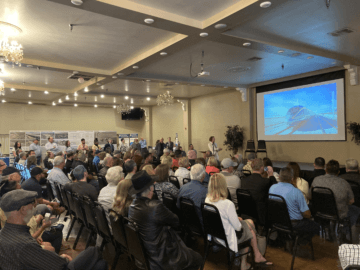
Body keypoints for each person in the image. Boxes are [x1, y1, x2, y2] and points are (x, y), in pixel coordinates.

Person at [0, 189, 108, 269]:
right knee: (94, 251)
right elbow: (61, 266)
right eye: (32, 203)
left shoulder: (4, 233)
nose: (34, 206)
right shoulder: (24, 244)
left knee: (100, 264)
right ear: (23, 209)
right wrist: (65, 258)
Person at [128, 171, 203, 270]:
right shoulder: (155, 207)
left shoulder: (132, 206)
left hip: (143, 255)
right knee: (198, 258)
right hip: (161, 257)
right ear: (151, 188)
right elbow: (176, 221)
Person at [205, 173, 273, 269]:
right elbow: (238, 227)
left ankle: (249, 257)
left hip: (216, 235)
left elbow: (220, 217)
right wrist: (237, 220)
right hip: (227, 237)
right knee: (250, 229)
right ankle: (247, 261)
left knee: (248, 223)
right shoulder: (228, 204)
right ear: (224, 185)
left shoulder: (207, 199)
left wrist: (236, 219)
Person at [310, 160, 360, 243]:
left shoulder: (316, 180)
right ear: (338, 172)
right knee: (354, 210)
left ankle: (331, 229)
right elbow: (352, 201)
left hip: (320, 212)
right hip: (338, 213)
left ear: (325, 170)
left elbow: (310, 196)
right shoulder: (344, 183)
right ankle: (350, 238)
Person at [270, 167, 320, 244]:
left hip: (277, 221)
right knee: (316, 226)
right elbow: (307, 214)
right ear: (292, 179)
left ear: (279, 177)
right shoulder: (297, 192)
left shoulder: (272, 188)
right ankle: (299, 241)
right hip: (293, 224)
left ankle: (288, 238)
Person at [241, 158, 276, 225]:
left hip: (246, 211)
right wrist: (271, 175)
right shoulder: (265, 181)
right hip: (260, 213)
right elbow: (276, 190)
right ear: (262, 167)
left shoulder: (243, 180)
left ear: (251, 166)